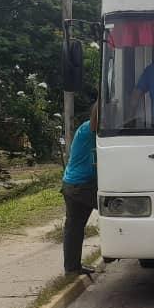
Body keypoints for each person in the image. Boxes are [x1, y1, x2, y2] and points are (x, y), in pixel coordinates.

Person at [61, 104, 99, 277]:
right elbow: (96, 118)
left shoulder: (96, 132)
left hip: (77, 184)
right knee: (117, 207)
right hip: (79, 186)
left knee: (74, 227)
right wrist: (104, 95)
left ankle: (72, 268)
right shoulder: (87, 130)